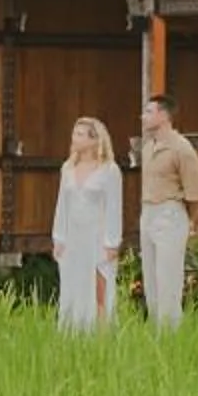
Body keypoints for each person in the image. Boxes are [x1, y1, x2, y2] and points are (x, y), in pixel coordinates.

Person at [135, 93, 198, 329]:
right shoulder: (147, 148)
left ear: (163, 116)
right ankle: (155, 327)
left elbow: (195, 192)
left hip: (170, 211)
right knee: (151, 276)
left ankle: (170, 330)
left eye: (148, 112)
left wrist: (188, 220)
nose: (142, 116)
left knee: (168, 277)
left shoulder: (181, 148)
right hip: (148, 211)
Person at [49, 116, 123, 332]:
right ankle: (72, 330)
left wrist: (112, 242)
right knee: (73, 284)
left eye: (80, 134)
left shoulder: (109, 170)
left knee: (99, 286)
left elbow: (114, 207)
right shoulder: (68, 168)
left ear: (94, 140)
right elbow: (62, 204)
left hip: (97, 235)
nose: (75, 138)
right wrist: (59, 237)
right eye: (74, 133)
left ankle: (100, 332)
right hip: (74, 236)